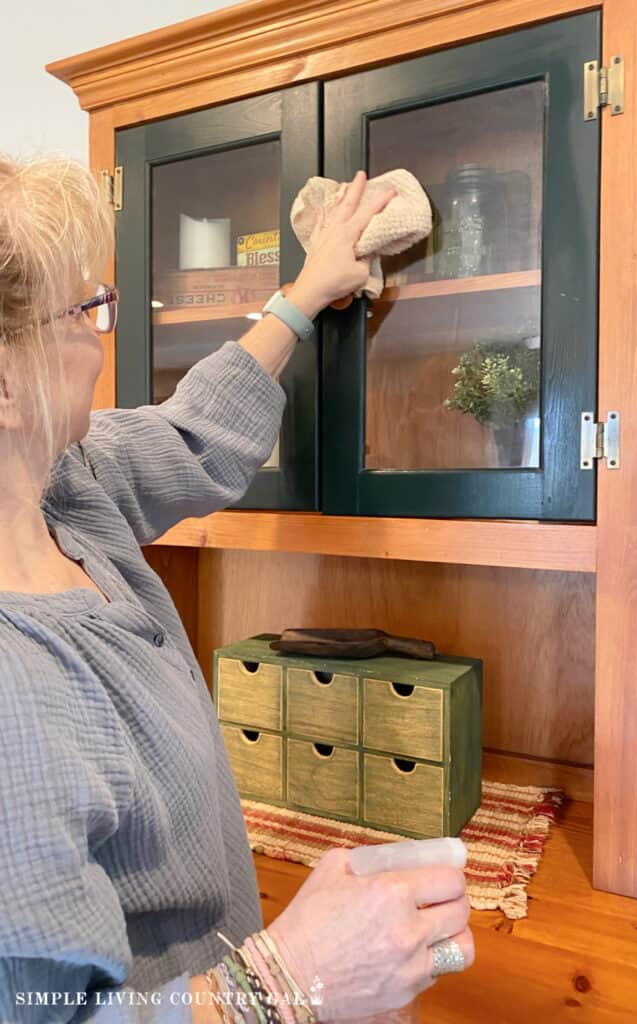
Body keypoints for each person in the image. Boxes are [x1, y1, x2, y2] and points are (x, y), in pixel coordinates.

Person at [0, 156, 474, 1023]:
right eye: (85, 310)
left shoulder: (67, 487)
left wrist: (301, 294)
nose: (104, 334)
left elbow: (193, 430)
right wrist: (284, 985)